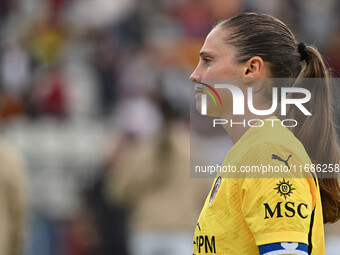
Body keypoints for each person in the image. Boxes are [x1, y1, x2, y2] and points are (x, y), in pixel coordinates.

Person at [189, 13, 340, 255]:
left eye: (207, 60)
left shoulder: (270, 153)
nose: (194, 74)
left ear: (251, 69)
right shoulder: (250, 151)